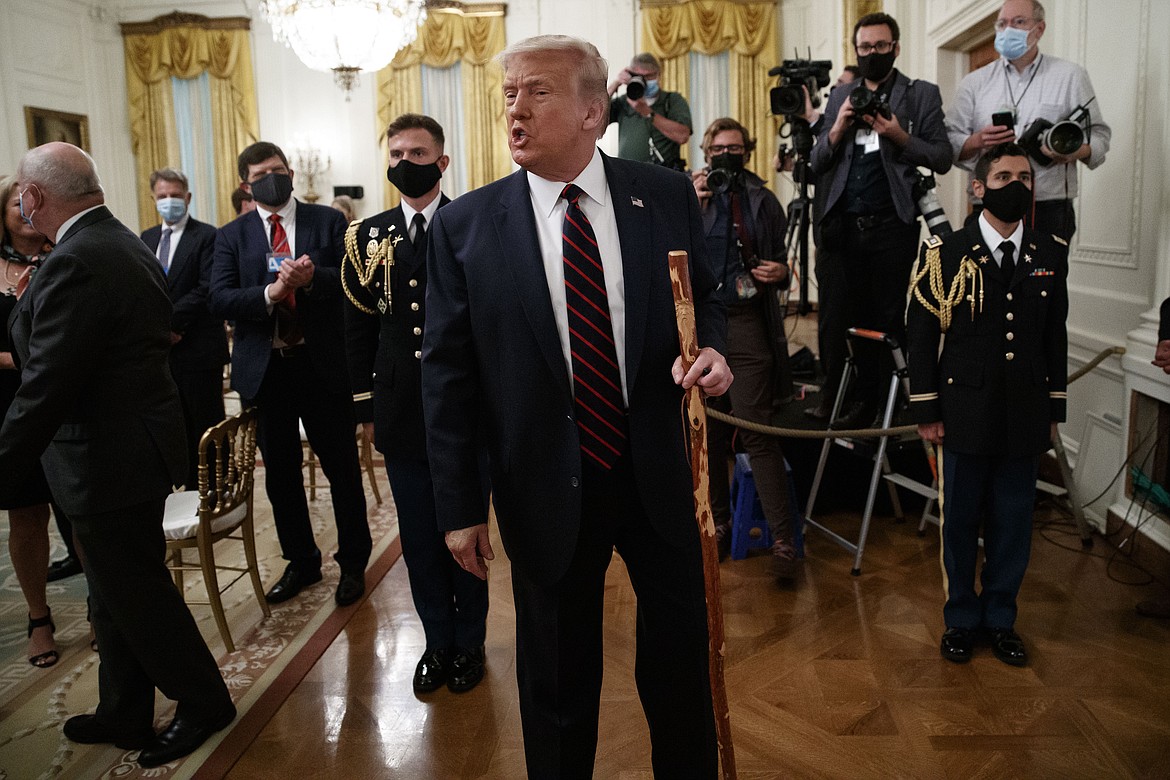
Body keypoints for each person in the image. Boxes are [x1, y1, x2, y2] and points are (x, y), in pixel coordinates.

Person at [422, 35, 732, 779]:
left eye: (537, 92)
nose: (515, 111)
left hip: (661, 473)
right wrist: (460, 505)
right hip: (540, 485)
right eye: (508, 95)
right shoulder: (466, 226)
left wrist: (713, 353)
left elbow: (704, 305)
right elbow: (449, 376)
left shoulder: (661, 197)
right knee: (556, 683)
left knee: (680, 672)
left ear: (593, 111)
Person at [0, 143, 235, 767]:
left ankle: (205, 702)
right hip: (128, 448)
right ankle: (123, 709)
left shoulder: (81, 257)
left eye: (23, 190)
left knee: (138, 595)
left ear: (39, 197)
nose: (19, 202)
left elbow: (48, 381)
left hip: (107, 458)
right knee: (112, 594)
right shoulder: (116, 239)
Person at [343, 114, 490, 694]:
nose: (407, 161)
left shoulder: (472, 224)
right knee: (420, 536)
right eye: (397, 151)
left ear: (442, 161)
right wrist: (365, 406)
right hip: (402, 409)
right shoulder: (365, 237)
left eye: (419, 152)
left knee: (467, 529)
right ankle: (436, 641)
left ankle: (470, 642)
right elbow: (357, 331)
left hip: (465, 409)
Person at [907, 142, 1068, 667]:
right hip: (964, 411)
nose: (1015, 184)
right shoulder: (946, 252)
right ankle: (960, 618)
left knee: (1014, 521)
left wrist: (1053, 410)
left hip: (1024, 412)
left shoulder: (1050, 252)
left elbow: (1055, 338)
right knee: (959, 523)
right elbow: (921, 335)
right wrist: (927, 409)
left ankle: (1000, 618)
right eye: (1002, 176)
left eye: (1024, 175)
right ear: (978, 187)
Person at [211, 141, 371, 608]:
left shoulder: (328, 221)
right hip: (267, 371)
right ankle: (301, 561)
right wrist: (271, 291)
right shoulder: (232, 236)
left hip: (321, 365)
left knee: (341, 469)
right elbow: (220, 298)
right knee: (281, 475)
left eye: (279, 170)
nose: (273, 178)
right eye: (262, 173)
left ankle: (354, 562)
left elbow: (351, 277)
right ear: (246, 183)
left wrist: (311, 280)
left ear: (293, 173)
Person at [809, 12, 952, 430]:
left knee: (888, 320)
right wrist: (836, 128)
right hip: (842, 229)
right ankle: (856, 399)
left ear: (896, 48)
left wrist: (898, 135)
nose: (873, 54)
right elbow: (817, 160)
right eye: (865, 48)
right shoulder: (841, 96)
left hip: (892, 226)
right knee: (844, 320)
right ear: (856, 50)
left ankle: (892, 404)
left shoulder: (920, 94)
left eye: (881, 47)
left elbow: (941, 156)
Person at [692, 117, 799, 576]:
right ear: (705, 151)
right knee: (709, 433)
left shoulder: (764, 199)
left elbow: (781, 266)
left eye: (735, 148)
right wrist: (689, 204)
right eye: (719, 149)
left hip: (747, 324)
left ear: (747, 151)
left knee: (757, 431)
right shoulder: (687, 195)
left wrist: (783, 273)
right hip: (698, 330)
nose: (727, 156)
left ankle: (783, 540)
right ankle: (715, 526)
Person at [946, 0, 1110, 242]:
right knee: (985, 279)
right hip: (989, 205)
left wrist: (1071, 150)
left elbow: (1099, 136)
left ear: (1040, 29)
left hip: (1048, 207)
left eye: (1019, 22)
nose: (1008, 29)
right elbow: (948, 140)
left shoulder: (1070, 76)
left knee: (1045, 280)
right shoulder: (974, 82)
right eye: (1002, 23)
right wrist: (977, 141)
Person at [0, 174, 67, 667]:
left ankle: (101, 609)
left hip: (65, 401)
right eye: (15, 205)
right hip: (9, 406)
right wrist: (19, 361)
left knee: (77, 511)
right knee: (26, 516)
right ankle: (38, 616)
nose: (25, 211)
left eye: (31, 202)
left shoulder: (64, 255)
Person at [140, 168, 228, 489]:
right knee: (172, 425)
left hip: (198, 347)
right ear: (153, 199)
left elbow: (206, 289)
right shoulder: (146, 239)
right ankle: (184, 487)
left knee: (204, 424)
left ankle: (214, 490)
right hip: (161, 352)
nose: (169, 202)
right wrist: (158, 330)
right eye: (162, 197)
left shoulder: (208, 236)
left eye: (175, 196)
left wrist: (173, 325)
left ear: (187, 197)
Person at [606, 52, 693, 169]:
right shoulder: (624, 102)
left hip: (664, 176)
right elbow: (594, 115)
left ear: (659, 75)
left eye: (649, 77)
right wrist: (616, 83)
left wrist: (647, 112)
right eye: (639, 76)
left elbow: (682, 136)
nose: (644, 81)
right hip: (627, 176)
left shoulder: (671, 100)